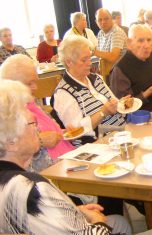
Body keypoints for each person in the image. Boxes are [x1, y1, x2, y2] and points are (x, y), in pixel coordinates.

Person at [0, 79, 136, 235]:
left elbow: (35, 218)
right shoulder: (32, 189)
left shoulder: (11, 180)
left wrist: (75, 212)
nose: (37, 128)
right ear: (11, 142)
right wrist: (98, 221)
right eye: (32, 123)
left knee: (120, 221)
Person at [0, 54, 74, 172]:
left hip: (70, 160)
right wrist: (39, 141)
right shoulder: (7, 115)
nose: (35, 87)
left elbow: (49, 130)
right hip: (54, 173)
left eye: (35, 81)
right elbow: (8, 151)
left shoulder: (32, 104)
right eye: (29, 83)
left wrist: (63, 133)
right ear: (11, 85)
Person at [51, 36, 125, 146]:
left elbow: (114, 103)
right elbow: (76, 131)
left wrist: (121, 104)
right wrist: (103, 113)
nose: (90, 63)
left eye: (90, 58)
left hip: (120, 134)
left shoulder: (96, 79)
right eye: (84, 60)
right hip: (98, 145)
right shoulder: (63, 93)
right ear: (69, 62)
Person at [109, 24, 152, 111]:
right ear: (129, 43)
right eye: (140, 41)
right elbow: (124, 107)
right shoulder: (120, 69)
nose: (146, 45)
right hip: (140, 116)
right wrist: (148, 93)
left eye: (149, 40)